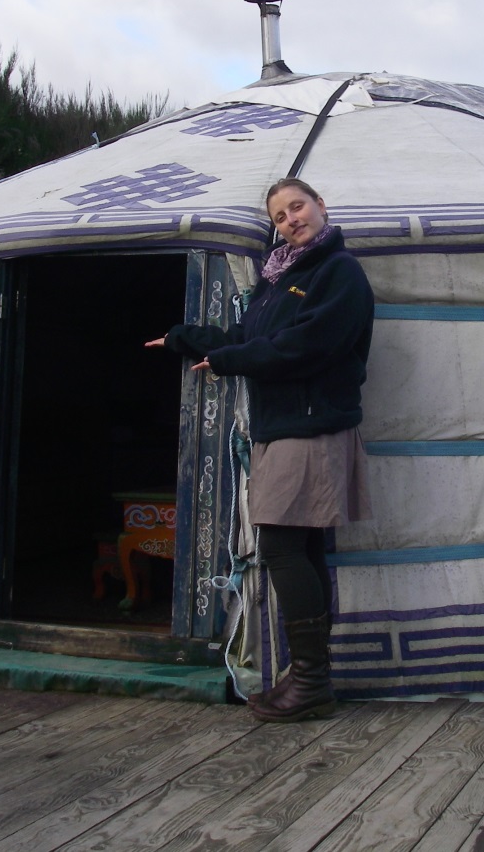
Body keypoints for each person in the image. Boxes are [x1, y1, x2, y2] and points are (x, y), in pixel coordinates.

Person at [146, 177, 374, 722]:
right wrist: (184, 339)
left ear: (322, 205)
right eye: (279, 216)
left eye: (298, 206)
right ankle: (308, 677)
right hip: (283, 427)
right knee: (304, 548)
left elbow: (306, 345)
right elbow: (250, 338)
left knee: (277, 544)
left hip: (312, 426)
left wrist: (228, 362)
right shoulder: (281, 277)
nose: (291, 219)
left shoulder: (337, 273)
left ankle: (313, 681)